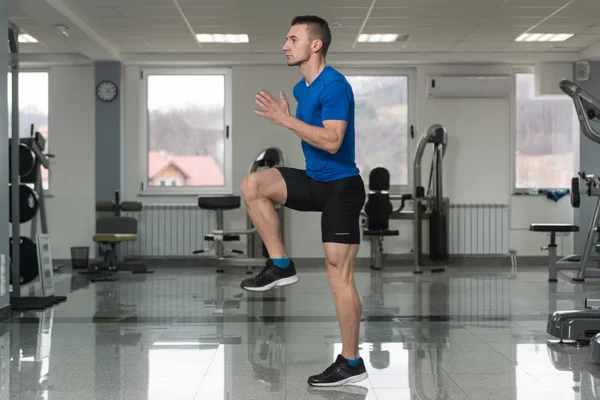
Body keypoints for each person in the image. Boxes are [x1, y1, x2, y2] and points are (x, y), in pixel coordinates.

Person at [239, 15, 368, 387]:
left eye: (292, 39)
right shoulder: (301, 88)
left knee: (338, 276)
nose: (285, 45)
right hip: (315, 181)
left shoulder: (335, 86)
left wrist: (286, 121)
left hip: (342, 188)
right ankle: (280, 264)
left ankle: (351, 360)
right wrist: (289, 117)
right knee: (254, 185)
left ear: (315, 45)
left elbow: (332, 141)